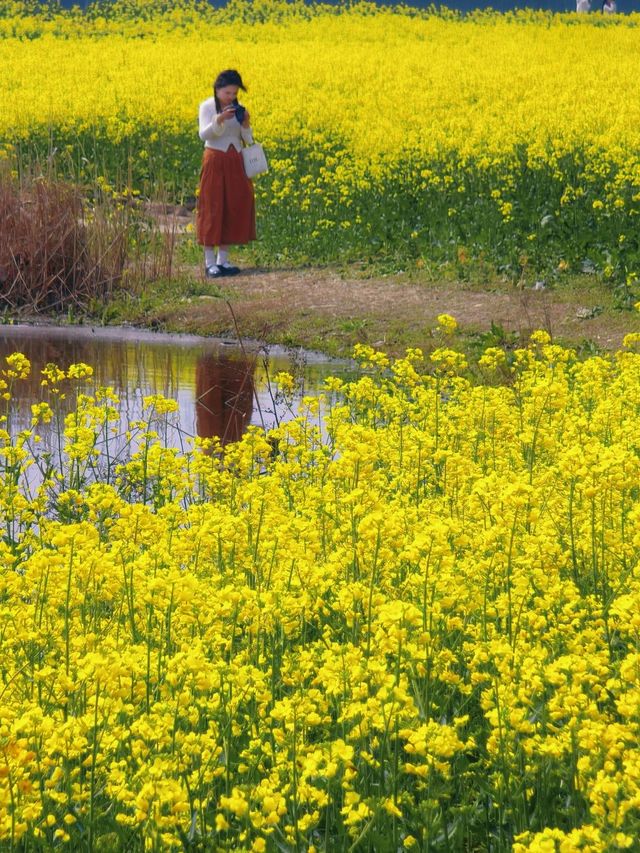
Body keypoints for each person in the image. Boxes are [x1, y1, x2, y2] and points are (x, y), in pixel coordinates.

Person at [196, 70, 256, 279]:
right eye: (228, 93)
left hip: (235, 160)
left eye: (234, 93)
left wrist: (246, 123)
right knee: (212, 207)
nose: (231, 97)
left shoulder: (239, 110)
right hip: (214, 159)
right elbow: (203, 134)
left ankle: (224, 260)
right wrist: (219, 119)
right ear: (218, 89)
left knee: (233, 206)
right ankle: (210, 263)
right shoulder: (207, 106)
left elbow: (247, 138)